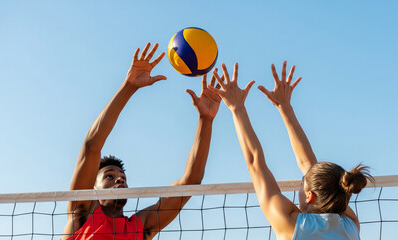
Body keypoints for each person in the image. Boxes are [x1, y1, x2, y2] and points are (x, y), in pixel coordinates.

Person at [61, 42, 222, 240]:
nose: (119, 179)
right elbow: (91, 146)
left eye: (122, 177)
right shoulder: (82, 214)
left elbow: (191, 183)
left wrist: (206, 120)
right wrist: (129, 86)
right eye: (109, 177)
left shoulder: (140, 227)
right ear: (92, 188)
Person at [208, 62, 374, 240]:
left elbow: (258, 163)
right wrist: (281, 106)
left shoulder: (293, 226)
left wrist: (237, 107)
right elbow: (260, 164)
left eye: (302, 183)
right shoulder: (351, 226)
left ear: (310, 196)